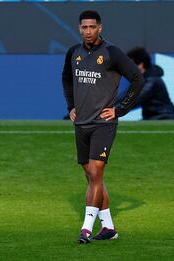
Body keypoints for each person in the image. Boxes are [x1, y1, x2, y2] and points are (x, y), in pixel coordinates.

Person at [62, 10, 144, 244]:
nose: (88, 31)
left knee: (96, 173)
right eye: (84, 27)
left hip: (103, 124)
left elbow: (138, 80)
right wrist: (71, 106)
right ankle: (108, 227)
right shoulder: (73, 53)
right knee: (91, 176)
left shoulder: (112, 53)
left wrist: (119, 110)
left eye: (92, 27)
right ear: (79, 28)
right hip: (82, 123)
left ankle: (86, 227)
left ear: (100, 28)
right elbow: (66, 78)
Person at [126, 46, 174, 120]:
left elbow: (136, 98)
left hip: (164, 117)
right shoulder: (143, 79)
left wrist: (114, 108)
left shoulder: (152, 81)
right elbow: (128, 94)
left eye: (131, 64)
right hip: (153, 117)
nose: (128, 67)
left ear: (140, 64)